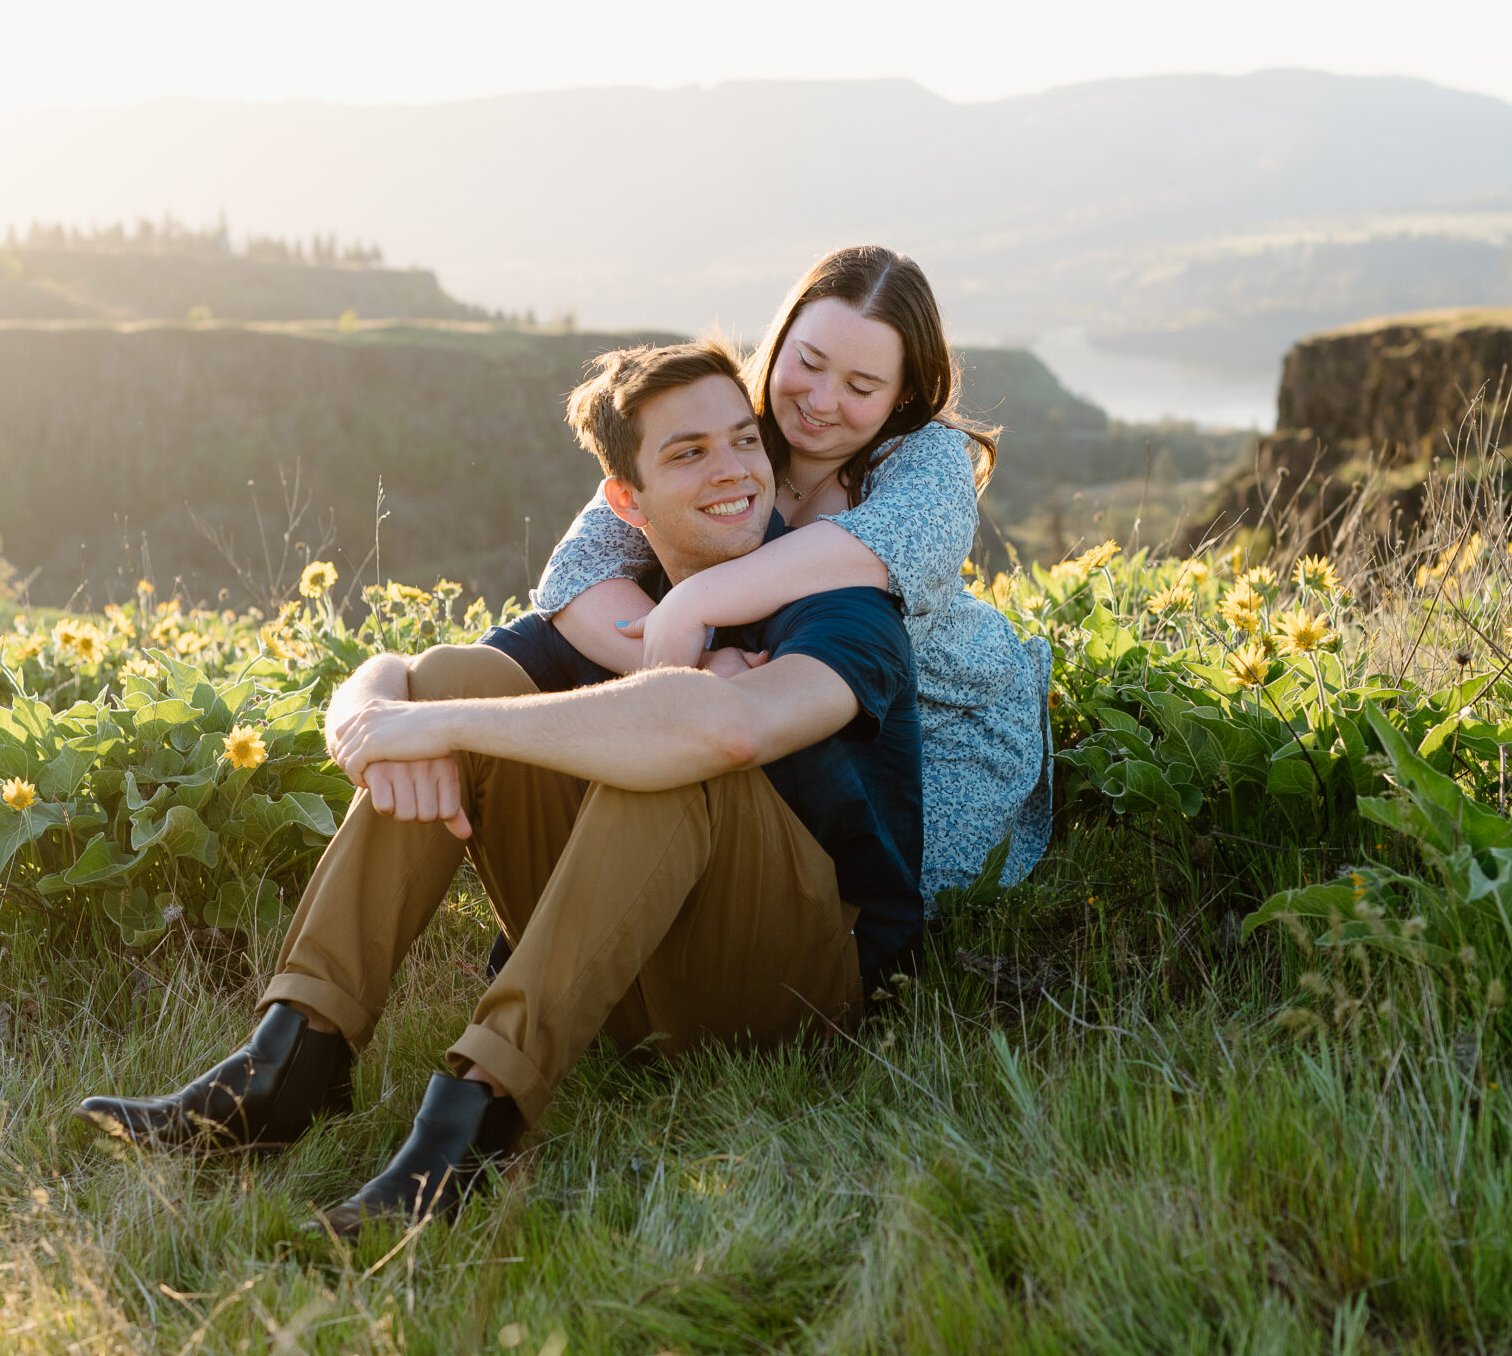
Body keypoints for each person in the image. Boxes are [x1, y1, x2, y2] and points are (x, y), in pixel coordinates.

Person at [76, 338, 922, 1237]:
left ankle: (473, 1123)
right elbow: (392, 677)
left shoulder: (841, 601)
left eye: (743, 440)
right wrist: (381, 722)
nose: (735, 471)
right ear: (625, 501)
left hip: (795, 988)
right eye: (689, 452)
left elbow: (728, 728)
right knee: (453, 673)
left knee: (669, 734)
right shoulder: (621, 598)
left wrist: (448, 729)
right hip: (627, 975)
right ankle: (290, 1062)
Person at [534, 244, 1050, 907]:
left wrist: (690, 605)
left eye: (862, 387)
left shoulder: (927, 460)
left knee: (874, 893)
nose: (820, 402)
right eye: (806, 364)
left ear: (903, 395)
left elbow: (876, 549)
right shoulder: (727, 422)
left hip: (937, 721)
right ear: (778, 344)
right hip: (766, 697)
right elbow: (576, 573)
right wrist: (691, 669)